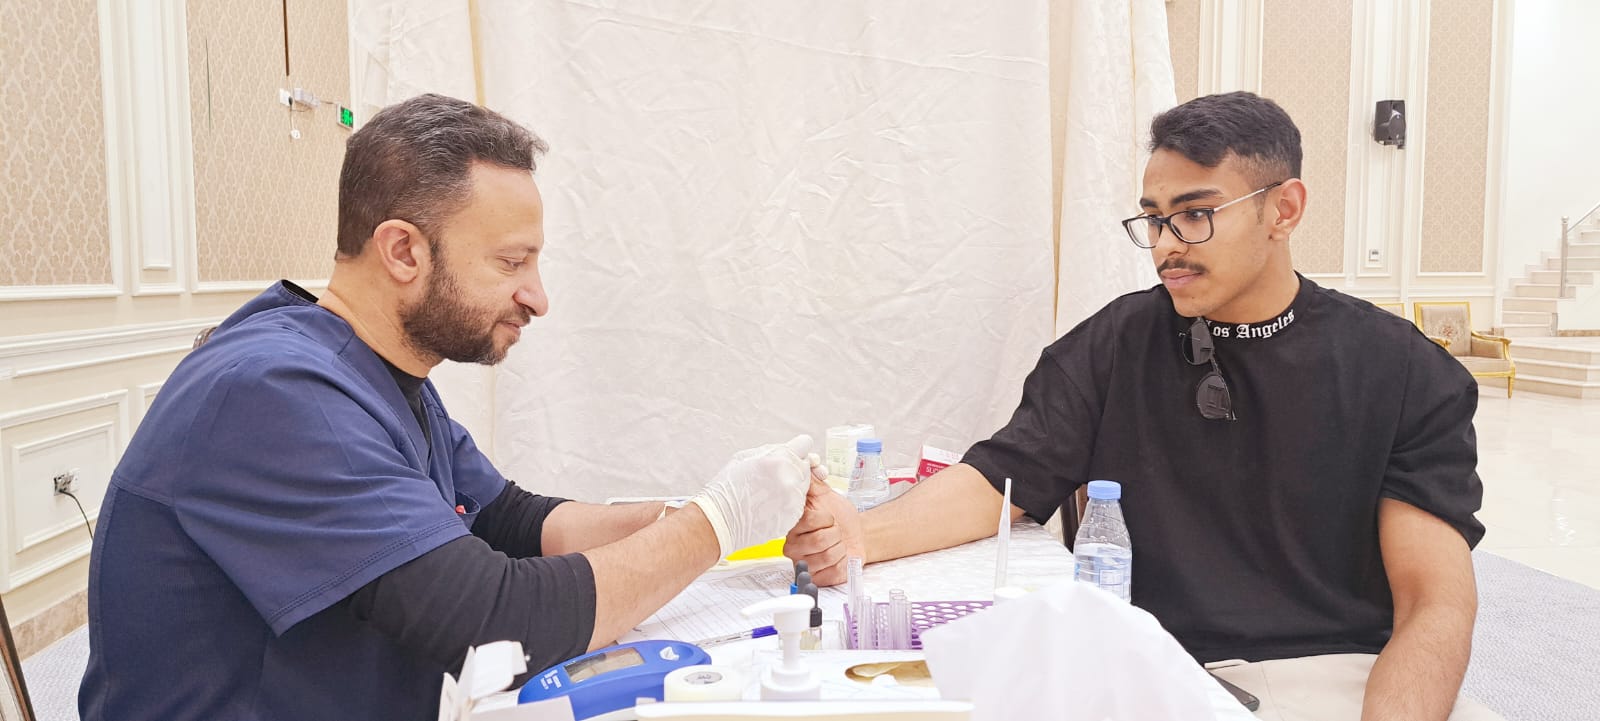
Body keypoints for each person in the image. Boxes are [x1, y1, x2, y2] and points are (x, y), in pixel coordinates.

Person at [79, 94, 819, 721]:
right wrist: (718, 522)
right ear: (403, 251)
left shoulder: (381, 375)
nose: (537, 297)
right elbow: (498, 623)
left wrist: (704, 507)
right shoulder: (273, 394)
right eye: (511, 262)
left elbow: (514, 521)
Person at [785, 92, 1500, 720]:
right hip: (1161, 671)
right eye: (1154, 219)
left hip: (1349, 676)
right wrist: (860, 534)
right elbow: (1003, 478)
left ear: (1283, 209)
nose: (1165, 247)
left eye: (1195, 215)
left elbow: (1434, 600)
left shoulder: (1403, 369)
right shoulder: (1114, 344)